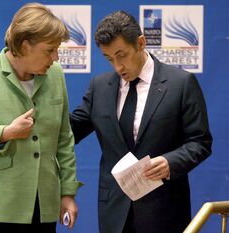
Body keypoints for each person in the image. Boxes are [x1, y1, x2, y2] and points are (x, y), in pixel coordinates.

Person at [70, 10, 212, 233]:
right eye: (109, 59)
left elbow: (200, 142)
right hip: (114, 213)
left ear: (141, 43)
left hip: (163, 210)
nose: (117, 67)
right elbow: (70, 130)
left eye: (121, 55)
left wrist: (170, 162)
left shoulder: (181, 84)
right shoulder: (100, 86)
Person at [0, 3, 82, 233]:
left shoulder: (56, 75)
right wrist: (6, 133)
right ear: (25, 45)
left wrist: (67, 193)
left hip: (41, 208)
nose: (56, 57)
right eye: (49, 50)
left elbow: (64, 139)